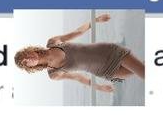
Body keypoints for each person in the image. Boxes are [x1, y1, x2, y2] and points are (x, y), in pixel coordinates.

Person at [14, 15, 144, 92]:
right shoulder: (54, 74)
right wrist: (100, 88)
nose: (28, 58)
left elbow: (78, 32)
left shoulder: (53, 42)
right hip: (106, 72)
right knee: (142, 69)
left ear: (30, 50)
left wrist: (96, 20)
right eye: (26, 62)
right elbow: (79, 78)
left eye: (26, 55)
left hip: (108, 52)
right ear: (30, 68)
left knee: (144, 73)